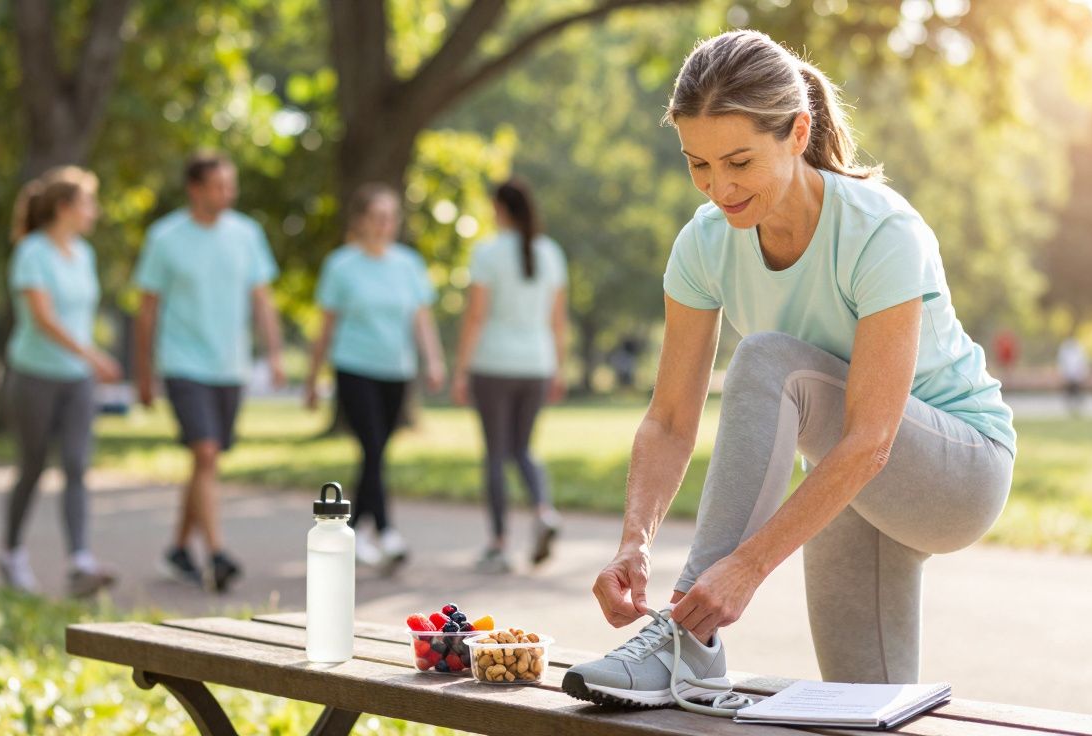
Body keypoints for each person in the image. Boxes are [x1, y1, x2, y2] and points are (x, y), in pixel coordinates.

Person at [565, 30, 1015, 711]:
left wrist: (746, 567)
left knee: (766, 357)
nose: (719, 187)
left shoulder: (880, 231)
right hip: (842, 478)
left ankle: (686, 642)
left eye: (739, 161)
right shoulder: (704, 244)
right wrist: (635, 540)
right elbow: (670, 418)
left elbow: (872, 439)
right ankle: (694, 646)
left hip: (958, 469)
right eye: (698, 164)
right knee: (864, 707)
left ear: (798, 132)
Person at [133, 151, 285, 593]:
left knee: (206, 459)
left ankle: (178, 549)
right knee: (205, 453)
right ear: (194, 189)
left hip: (230, 365)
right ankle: (217, 554)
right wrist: (143, 372)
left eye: (230, 185)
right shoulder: (165, 238)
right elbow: (147, 310)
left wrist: (275, 353)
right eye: (218, 186)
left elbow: (262, 299)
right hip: (183, 362)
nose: (227, 194)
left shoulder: (246, 234)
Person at [304, 183, 445, 574]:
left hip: (396, 370)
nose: (386, 224)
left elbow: (421, 318)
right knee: (371, 445)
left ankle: (350, 531)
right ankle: (386, 531)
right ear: (361, 220)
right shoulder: (341, 266)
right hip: (354, 366)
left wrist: (433, 360)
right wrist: (312, 379)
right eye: (378, 217)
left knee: (376, 451)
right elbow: (325, 327)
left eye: (391, 217)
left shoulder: (408, 264)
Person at [0, 166, 121, 597]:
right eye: (88, 203)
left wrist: (87, 361)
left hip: (77, 379)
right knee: (33, 465)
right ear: (64, 207)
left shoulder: (84, 253)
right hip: (34, 374)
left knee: (75, 463)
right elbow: (44, 318)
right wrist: (93, 355)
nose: (94, 212)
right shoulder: (32, 252)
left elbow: (80, 315)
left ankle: (80, 562)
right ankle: (11, 552)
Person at [451, 179, 568, 574]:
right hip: (537, 363)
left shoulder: (486, 252)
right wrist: (559, 367)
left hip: (493, 362)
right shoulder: (550, 253)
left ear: (499, 208)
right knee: (523, 448)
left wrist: (461, 369)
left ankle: (499, 544)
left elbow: (476, 315)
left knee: (496, 454)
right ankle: (544, 511)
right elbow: (558, 319)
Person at [1057, 336, 1088, 418]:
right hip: (1069, 375)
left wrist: (1082, 373)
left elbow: (1082, 362)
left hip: (1077, 375)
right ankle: (1070, 409)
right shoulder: (1065, 348)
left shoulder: (1078, 348)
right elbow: (1062, 363)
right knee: (1069, 392)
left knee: (1077, 392)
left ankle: (1078, 408)